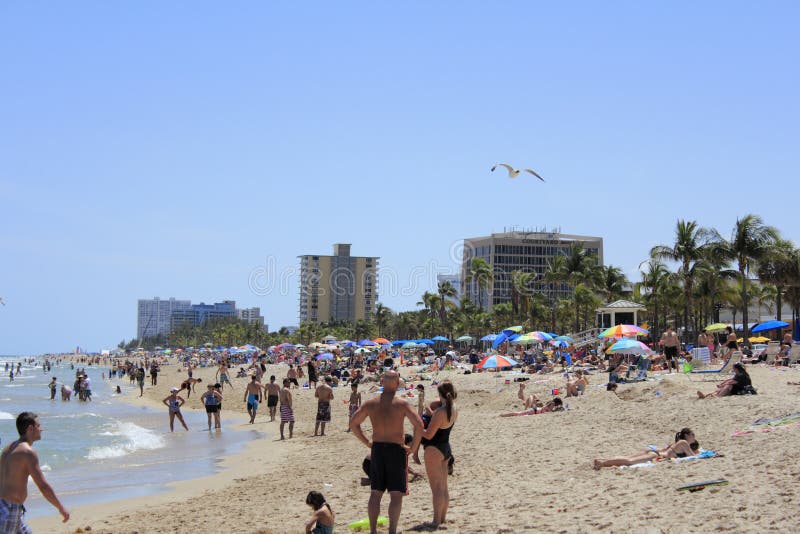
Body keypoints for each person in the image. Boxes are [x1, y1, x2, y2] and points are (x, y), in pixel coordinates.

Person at [350, 370, 425, 534]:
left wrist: (367, 442)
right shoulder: (402, 403)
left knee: (375, 493)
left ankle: (373, 530)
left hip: (377, 449)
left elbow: (353, 423)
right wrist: (413, 449)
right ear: (397, 384)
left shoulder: (371, 403)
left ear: (382, 382)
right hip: (395, 449)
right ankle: (392, 530)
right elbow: (419, 425)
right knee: (396, 495)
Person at [0, 412, 70, 530]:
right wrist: (60, 507)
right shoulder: (28, 452)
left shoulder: (9, 448)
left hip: (8, 507)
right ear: (30, 428)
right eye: (39, 426)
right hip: (10, 510)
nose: (41, 429)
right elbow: (43, 486)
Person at [414, 381, 458, 528]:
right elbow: (441, 424)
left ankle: (436, 521)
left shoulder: (440, 412)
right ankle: (442, 518)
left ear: (440, 394)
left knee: (436, 488)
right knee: (444, 487)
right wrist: (431, 414)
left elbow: (428, 435)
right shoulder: (453, 408)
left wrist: (418, 424)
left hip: (434, 449)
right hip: (445, 447)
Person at [593, 428, 699, 469]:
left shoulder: (678, 443)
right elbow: (692, 457)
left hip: (654, 452)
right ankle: (602, 463)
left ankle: (603, 460)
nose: (694, 436)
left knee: (627, 458)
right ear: (687, 436)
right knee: (629, 461)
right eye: (693, 434)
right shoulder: (684, 443)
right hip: (656, 455)